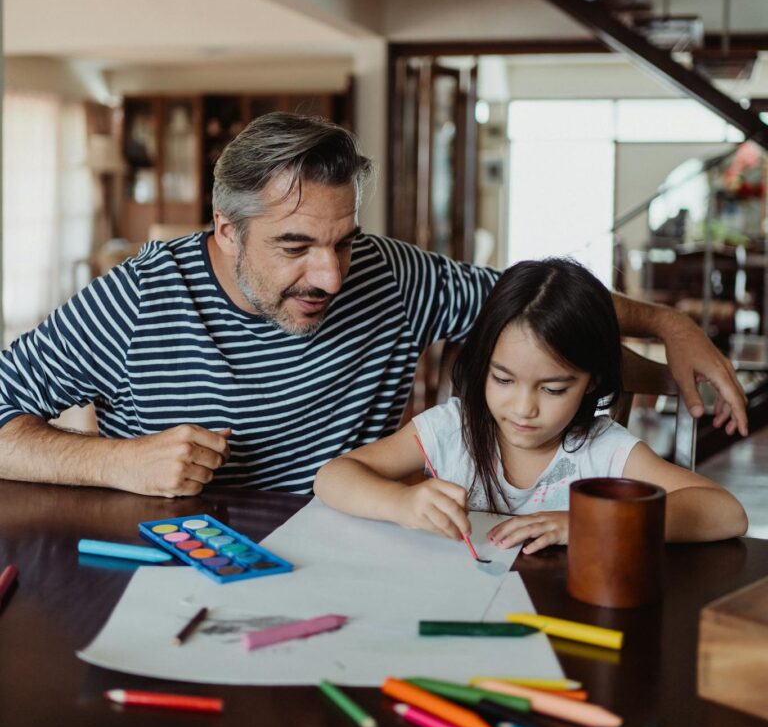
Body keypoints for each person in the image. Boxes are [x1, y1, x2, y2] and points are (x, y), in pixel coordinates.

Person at [0, 114, 749, 499]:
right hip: (171, 566)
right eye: (294, 246)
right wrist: (117, 464)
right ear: (225, 230)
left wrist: (670, 330)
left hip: (348, 549)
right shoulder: (137, 299)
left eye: (344, 241)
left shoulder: (387, 275)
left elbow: (543, 323)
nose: (330, 275)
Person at [315, 258, 748, 546]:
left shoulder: (601, 448)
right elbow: (332, 477)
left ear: (590, 381)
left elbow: (726, 513)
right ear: (483, 364)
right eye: (503, 379)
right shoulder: (454, 428)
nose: (523, 408)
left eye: (554, 389)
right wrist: (400, 503)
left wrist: (593, 525)